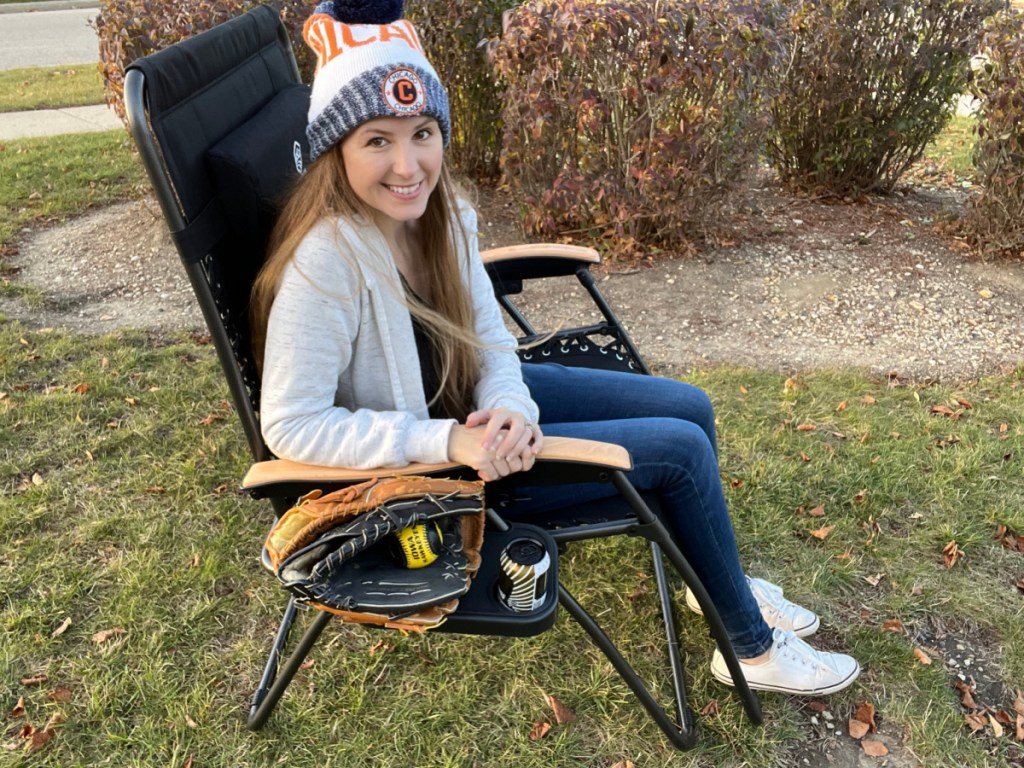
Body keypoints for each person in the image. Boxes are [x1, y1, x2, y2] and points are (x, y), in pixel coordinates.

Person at [252, 0, 860, 697]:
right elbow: (291, 425)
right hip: (434, 475)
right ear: (336, 150)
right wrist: (454, 441)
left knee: (689, 405)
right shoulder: (324, 262)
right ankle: (749, 649)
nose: (408, 164)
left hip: (476, 419)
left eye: (423, 132)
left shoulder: (439, 217)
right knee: (681, 452)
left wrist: (508, 404)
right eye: (376, 140)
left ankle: (713, 579)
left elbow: (487, 338)